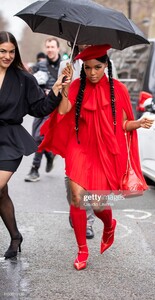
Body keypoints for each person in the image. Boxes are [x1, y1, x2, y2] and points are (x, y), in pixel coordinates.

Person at [38, 44, 154, 271]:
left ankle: (109, 225)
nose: (92, 73)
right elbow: (62, 111)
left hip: (103, 150)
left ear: (106, 66)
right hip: (79, 146)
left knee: (99, 205)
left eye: (98, 67)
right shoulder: (76, 86)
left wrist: (138, 124)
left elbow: (123, 124)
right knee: (77, 196)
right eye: (88, 68)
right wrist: (64, 84)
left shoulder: (118, 89)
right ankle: (82, 249)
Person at [0, 31, 66, 259]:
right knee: (1, 194)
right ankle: (16, 236)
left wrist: (57, 89)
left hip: (9, 139)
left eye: (11, 51)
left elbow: (39, 108)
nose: (7, 56)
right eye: (2, 51)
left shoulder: (23, 78)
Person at [59, 44, 118, 239]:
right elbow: (63, 107)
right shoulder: (66, 64)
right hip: (75, 134)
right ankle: (76, 208)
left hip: (98, 134)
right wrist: (65, 83)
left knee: (93, 195)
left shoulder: (105, 62)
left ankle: (88, 222)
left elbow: (111, 96)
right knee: (74, 189)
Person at [24, 37, 62, 182]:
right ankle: (49, 155)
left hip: (55, 107)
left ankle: (34, 169)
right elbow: (32, 83)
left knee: (39, 136)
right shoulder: (40, 65)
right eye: (48, 47)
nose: (50, 49)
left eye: (52, 47)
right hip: (41, 105)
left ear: (58, 48)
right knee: (36, 137)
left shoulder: (65, 66)